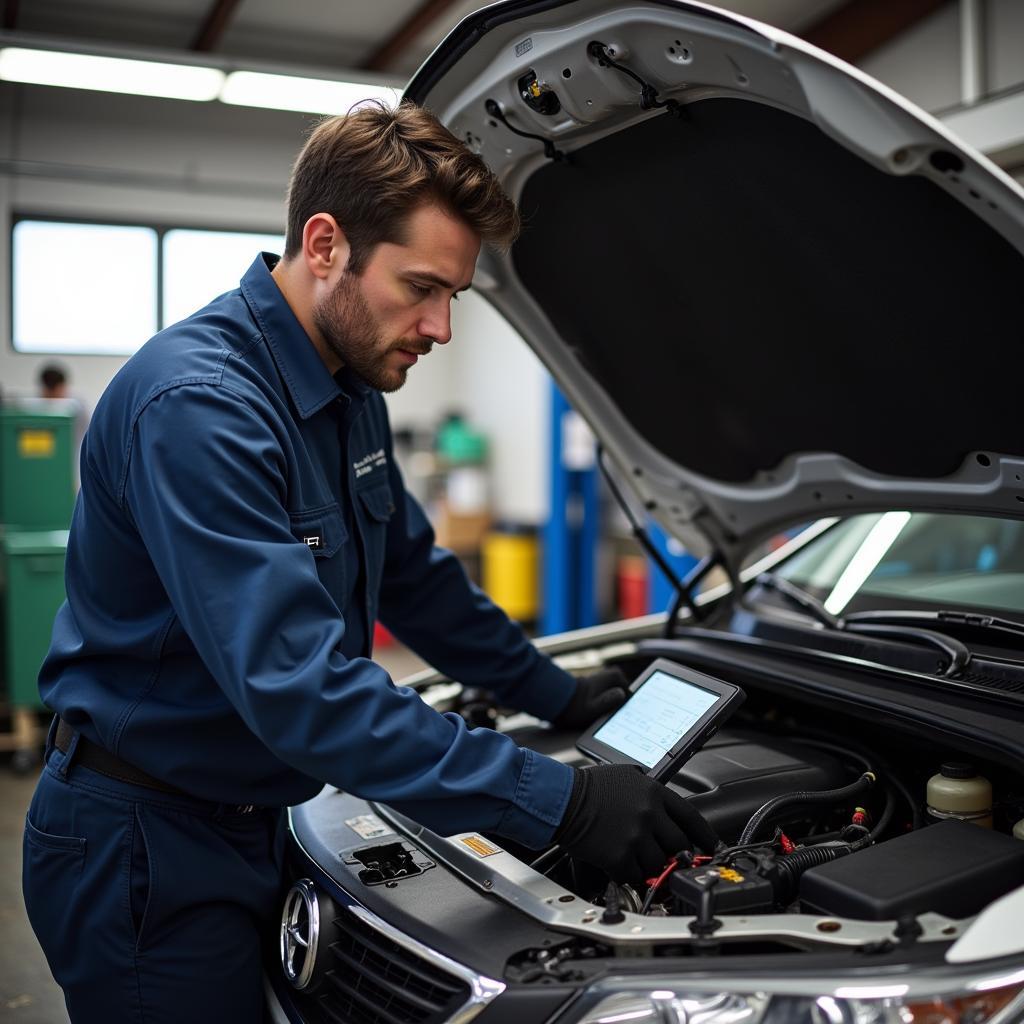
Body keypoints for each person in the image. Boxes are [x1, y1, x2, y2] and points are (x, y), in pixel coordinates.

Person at [22, 101, 709, 1023]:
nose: (441, 327)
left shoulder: (348, 387)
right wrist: (557, 799)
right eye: (422, 286)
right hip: (146, 844)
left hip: (254, 817)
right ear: (324, 243)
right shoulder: (200, 406)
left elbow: (418, 581)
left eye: (454, 296)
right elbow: (300, 689)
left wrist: (561, 695)